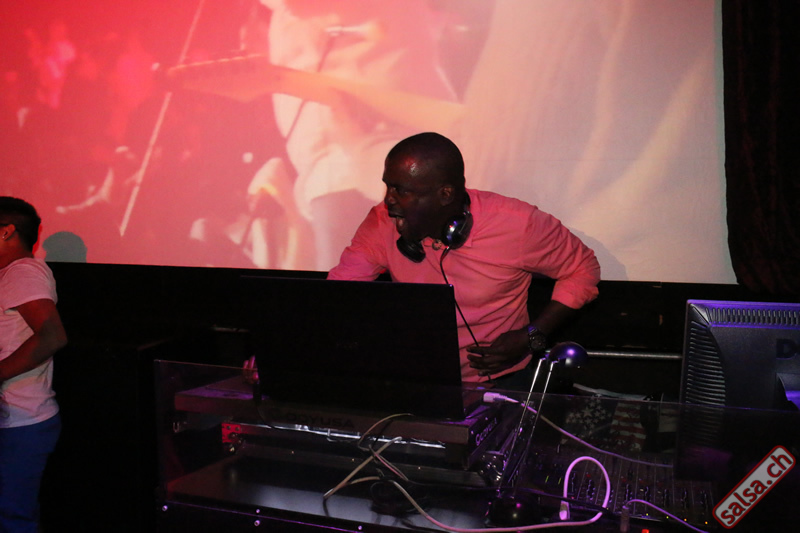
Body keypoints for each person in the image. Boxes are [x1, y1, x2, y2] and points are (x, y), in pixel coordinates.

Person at [327, 132, 600, 389]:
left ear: (445, 194)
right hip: (418, 378)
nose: (389, 200)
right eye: (388, 186)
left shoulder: (517, 223)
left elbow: (583, 268)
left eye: (401, 190)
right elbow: (340, 291)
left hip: (501, 380)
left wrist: (532, 335)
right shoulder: (381, 222)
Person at [0, 197, 68, 533]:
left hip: (21, 421)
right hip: (16, 421)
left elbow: (52, 336)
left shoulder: (23, 272)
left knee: (12, 519)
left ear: (6, 232)